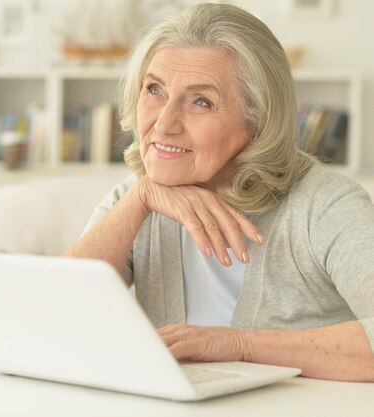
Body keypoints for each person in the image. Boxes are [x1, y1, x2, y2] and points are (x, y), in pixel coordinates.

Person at [63, 3, 374, 382]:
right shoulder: (135, 199)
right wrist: (140, 199)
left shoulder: (325, 206)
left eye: (201, 101)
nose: (163, 123)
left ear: (257, 123)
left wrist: (242, 345)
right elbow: (53, 312)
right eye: (154, 89)